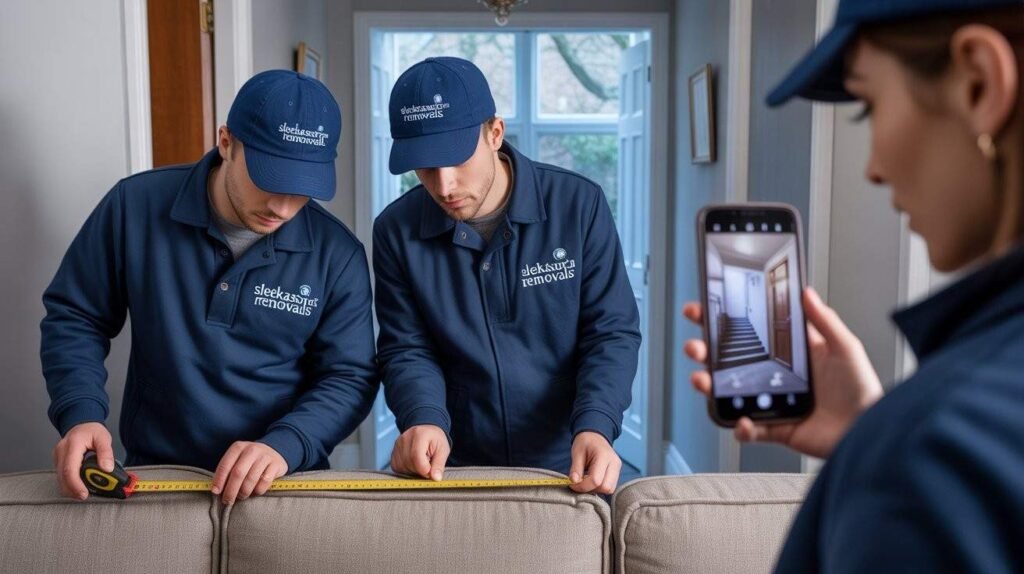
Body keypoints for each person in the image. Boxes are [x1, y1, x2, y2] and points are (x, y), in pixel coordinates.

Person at [684, 0, 1024, 571]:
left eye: (867, 106)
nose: (873, 167)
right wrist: (869, 432)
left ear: (979, 84)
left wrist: (890, 446)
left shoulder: (933, 456)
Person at [42, 70, 378, 505]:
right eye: (270, 178)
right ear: (226, 142)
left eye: (303, 190)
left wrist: (289, 442)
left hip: (283, 477)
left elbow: (348, 375)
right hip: (157, 472)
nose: (282, 206)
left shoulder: (339, 254)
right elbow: (76, 317)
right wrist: (80, 413)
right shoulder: (133, 207)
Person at [373, 57, 641, 494]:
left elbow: (610, 332)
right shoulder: (394, 232)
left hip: (567, 460)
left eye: (457, 159)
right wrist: (423, 417)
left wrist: (597, 423)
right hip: (452, 463)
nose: (443, 186)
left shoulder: (579, 205)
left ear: (495, 133)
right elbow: (407, 347)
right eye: (424, 167)